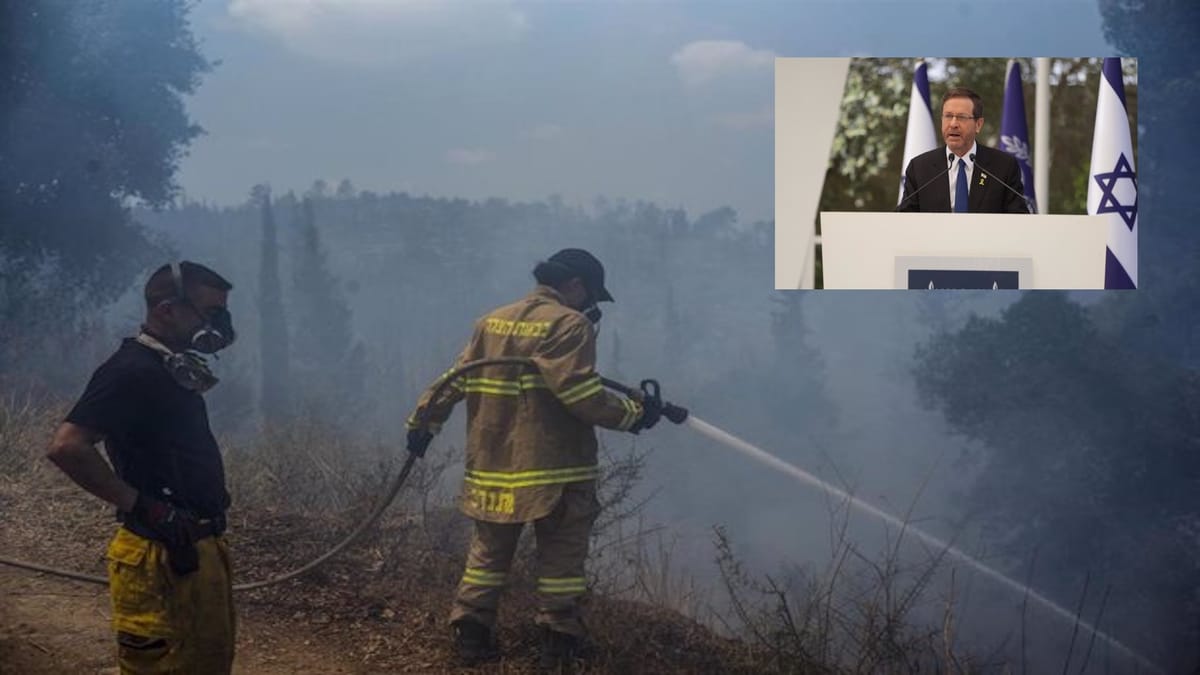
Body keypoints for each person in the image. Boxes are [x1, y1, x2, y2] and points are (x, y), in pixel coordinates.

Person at [405, 248, 662, 669]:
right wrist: (634, 415)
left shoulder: (492, 320)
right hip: (555, 471)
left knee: (487, 556)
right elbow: (581, 396)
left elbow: (455, 379)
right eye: (592, 296)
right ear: (575, 286)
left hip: (494, 466)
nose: (592, 307)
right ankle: (558, 644)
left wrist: (422, 424)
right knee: (562, 560)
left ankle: (471, 635)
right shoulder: (569, 324)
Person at [47, 261, 237, 674]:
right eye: (210, 313)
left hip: (194, 549)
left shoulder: (170, 367)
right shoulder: (131, 370)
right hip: (159, 557)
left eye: (222, 313)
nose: (219, 324)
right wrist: (144, 505)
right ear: (166, 309)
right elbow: (67, 446)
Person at [899, 87, 1030, 214]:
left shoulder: (1003, 167)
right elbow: (903, 220)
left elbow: (1018, 219)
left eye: (961, 117)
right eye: (948, 116)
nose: (953, 124)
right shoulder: (920, 168)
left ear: (978, 125)